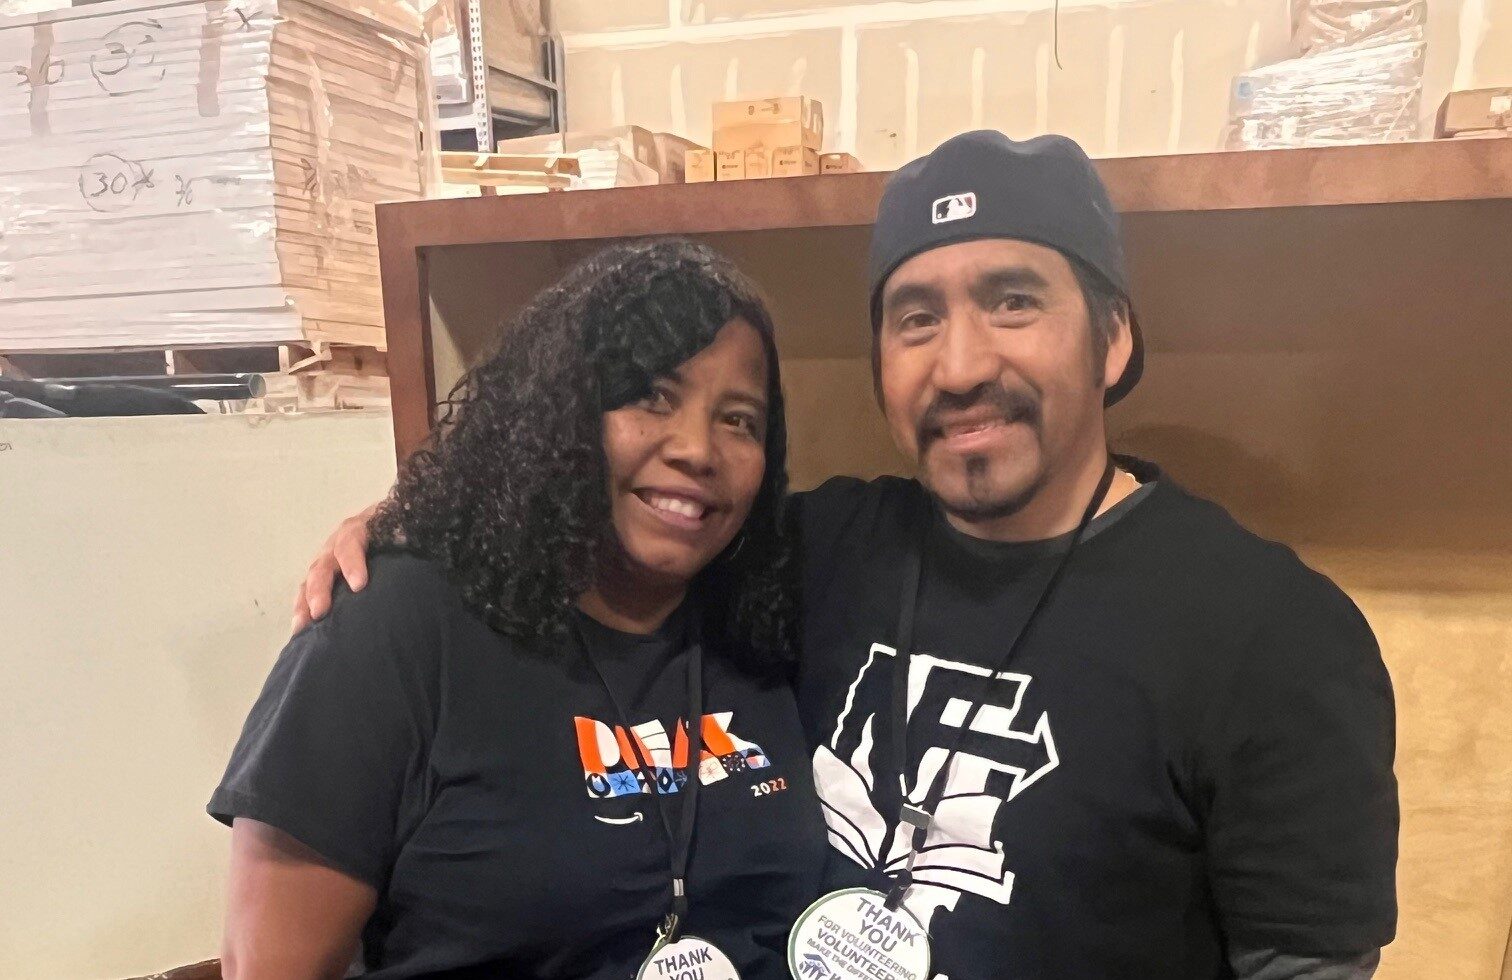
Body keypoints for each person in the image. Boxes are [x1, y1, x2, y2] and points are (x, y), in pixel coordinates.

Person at [295, 132, 1398, 979]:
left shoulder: (1273, 633)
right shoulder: (813, 550)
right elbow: (607, 513)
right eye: (915, 317)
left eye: (1014, 301)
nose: (960, 363)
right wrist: (410, 523)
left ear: (1111, 336)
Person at [212, 239, 827, 979]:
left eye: (740, 421)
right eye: (651, 396)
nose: (698, 449)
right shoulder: (396, 629)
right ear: (562, 412)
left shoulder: (762, 622)